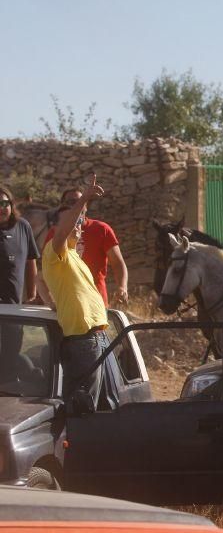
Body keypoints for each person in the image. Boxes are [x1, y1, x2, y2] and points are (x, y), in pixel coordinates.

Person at [41, 175, 115, 413]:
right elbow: (63, 231)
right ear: (56, 229)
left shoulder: (73, 254)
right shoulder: (54, 253)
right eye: (72, 221)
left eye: (80, 221)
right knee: (83, 410)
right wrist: (82, 198)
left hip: (97, 337)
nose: (78, 225)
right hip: (83, 340)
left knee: (99, 407)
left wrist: (83, 206)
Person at [45, 187, 128, 306]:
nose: (77, 205)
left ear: (86, 205)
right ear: (63, 206)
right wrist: (49, 301)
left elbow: (118, 263)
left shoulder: (101, 229)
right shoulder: (55, 233)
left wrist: (122, 287)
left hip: (96, 303)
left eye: (81, 200)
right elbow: (44, 272)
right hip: (65, 305)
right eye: (71, 202)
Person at [0, 186, 40, 382]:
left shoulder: (23, 226)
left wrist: (31, 293)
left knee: (11, 353)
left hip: (14, 307)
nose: (1, 208)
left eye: (4, 203)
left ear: (11, 204)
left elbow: (31, 260)